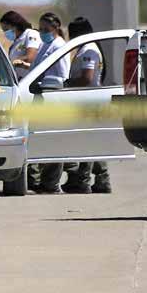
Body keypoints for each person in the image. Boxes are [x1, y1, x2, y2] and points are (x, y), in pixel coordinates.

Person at [61, 17, 112, 194]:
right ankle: (103, 179)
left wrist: (67, 83)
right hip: (88, 100)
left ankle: (82, 181)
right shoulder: (86, 48)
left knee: (86, 142)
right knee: (92, 141)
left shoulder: (89, 50)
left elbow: (87, 78)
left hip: (88, 102)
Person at [28, 12, 70, 194]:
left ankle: (51, 183)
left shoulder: (59, 46)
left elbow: (62, 75)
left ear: (56, 28)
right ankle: (38, 180)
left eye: (46, 29)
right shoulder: (45, 45)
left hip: (52, 97)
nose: (42, 32)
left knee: (53, 141)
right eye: (40, 29)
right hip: (40, 96)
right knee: (39, 139)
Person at [0, 10, 41, 80]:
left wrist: (12, 62)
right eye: (4, 30)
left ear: (15, 26)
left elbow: (30, 57)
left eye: (6, 29)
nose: (5, 33)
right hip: (20, 80)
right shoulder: (15, 43)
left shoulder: (31, 34)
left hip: (31, 80)